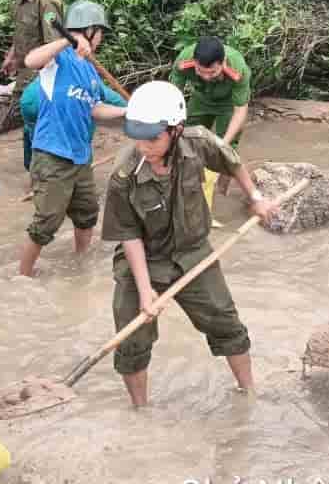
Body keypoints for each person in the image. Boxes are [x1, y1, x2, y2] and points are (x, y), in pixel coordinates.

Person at [101, 81, 277, 407]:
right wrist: (144, 290)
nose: (143, 146)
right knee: (131, 340)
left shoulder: (198, 143)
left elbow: (232, 162)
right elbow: (128, 235)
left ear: (176, 130)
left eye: (152, 137)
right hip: (145, 259)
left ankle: (249, 394)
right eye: (137, 136)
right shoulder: (123, 175)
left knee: (227, 323)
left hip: (194, 252)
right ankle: (140, 411)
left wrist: (256, 198)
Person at [17, 0, 125, 277]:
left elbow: (95, 109)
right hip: (52, 155)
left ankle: (80, 264)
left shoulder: (89, 71)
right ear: (90, 30)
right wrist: (67, 42)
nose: (101, 38)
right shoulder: (58, 61)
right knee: (45, 224)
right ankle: (22, 276)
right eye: (100, 32)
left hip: (80, 158)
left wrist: (128, 110)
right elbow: (30, 60)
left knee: (87, 214)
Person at [0, 0, 64, 168]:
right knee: (28, 125)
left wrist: (41, 85)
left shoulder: (46, 1)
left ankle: (44, 172)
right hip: (25, 73)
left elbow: (54, 47)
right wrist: (12, 55)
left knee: (39, 125)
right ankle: (34, 169)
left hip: (40, 77)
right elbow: (22, 31)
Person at [168, 35, 252, 197]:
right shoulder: (185, 59)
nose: (206, 76)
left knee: (227, 148)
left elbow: (240, 110)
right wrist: (174, 119)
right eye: (200, 71)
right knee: (187, 136)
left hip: (227, 104)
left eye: (212, 72)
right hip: (201, 98)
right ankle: (188, 180)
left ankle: (221, 189)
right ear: (195, 61)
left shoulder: (237, 68)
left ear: (223, 62)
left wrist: (222, 144)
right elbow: (173, 92)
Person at [19, 74, 128, 171]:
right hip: (38, 102)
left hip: (31, 100)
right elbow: (109, 97)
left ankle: (34, 168)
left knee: (38, 139)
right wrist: (130, 108)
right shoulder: (82, 77)